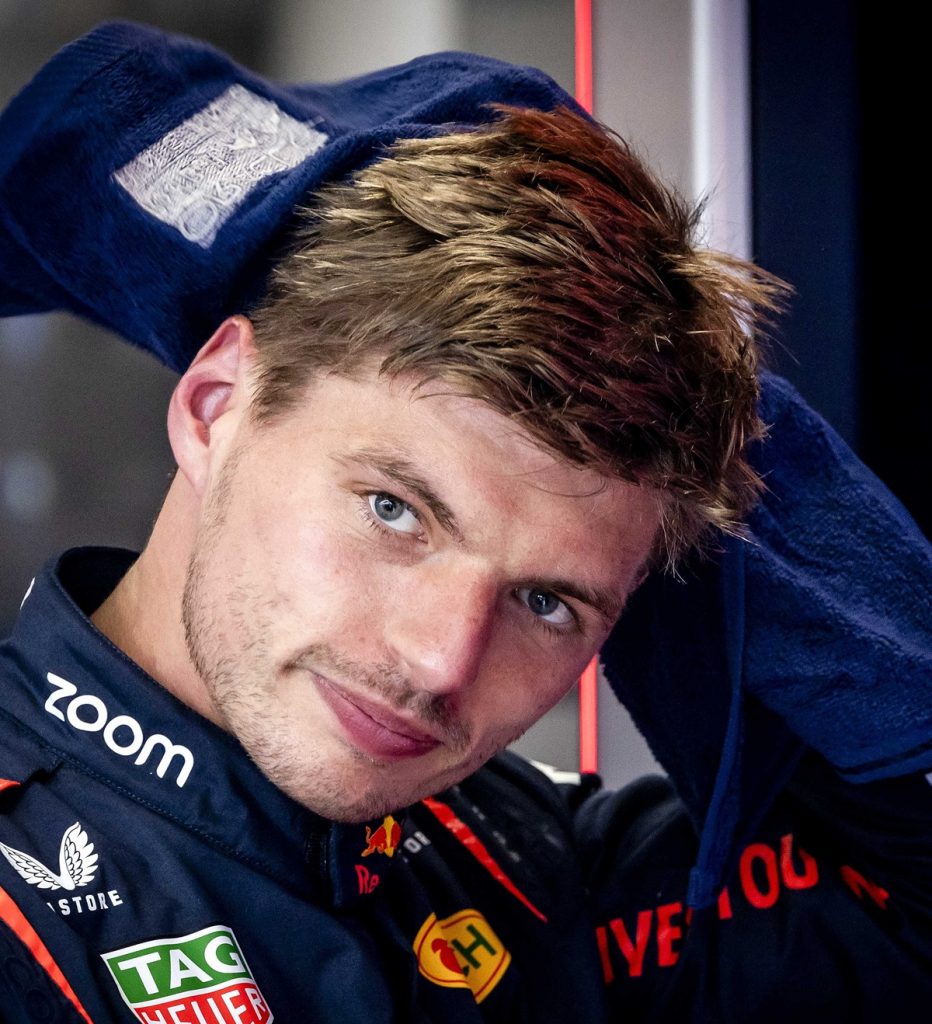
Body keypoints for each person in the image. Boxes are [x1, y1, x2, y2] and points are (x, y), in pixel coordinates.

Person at [0, 21, 929, 1024]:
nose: (443, 661)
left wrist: (717, 429)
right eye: (394, 511)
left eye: (546, 599)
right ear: (215, 404)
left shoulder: (519, 861)